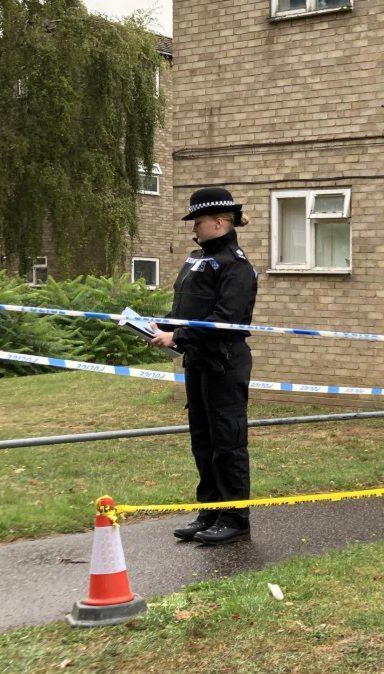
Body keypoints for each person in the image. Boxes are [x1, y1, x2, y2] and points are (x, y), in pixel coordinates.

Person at [150, 187, 258, 546]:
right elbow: (185, 308)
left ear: (218, 222)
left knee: (228, 441)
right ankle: (210, 511)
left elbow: (226, 319)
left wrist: (178, 337)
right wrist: (161, 326)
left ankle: (235, 516)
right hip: (198, 360)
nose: (193, 229)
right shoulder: (196, 259)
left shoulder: (236, 266)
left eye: (197, 222)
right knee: (203, 440)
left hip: (224, 362)